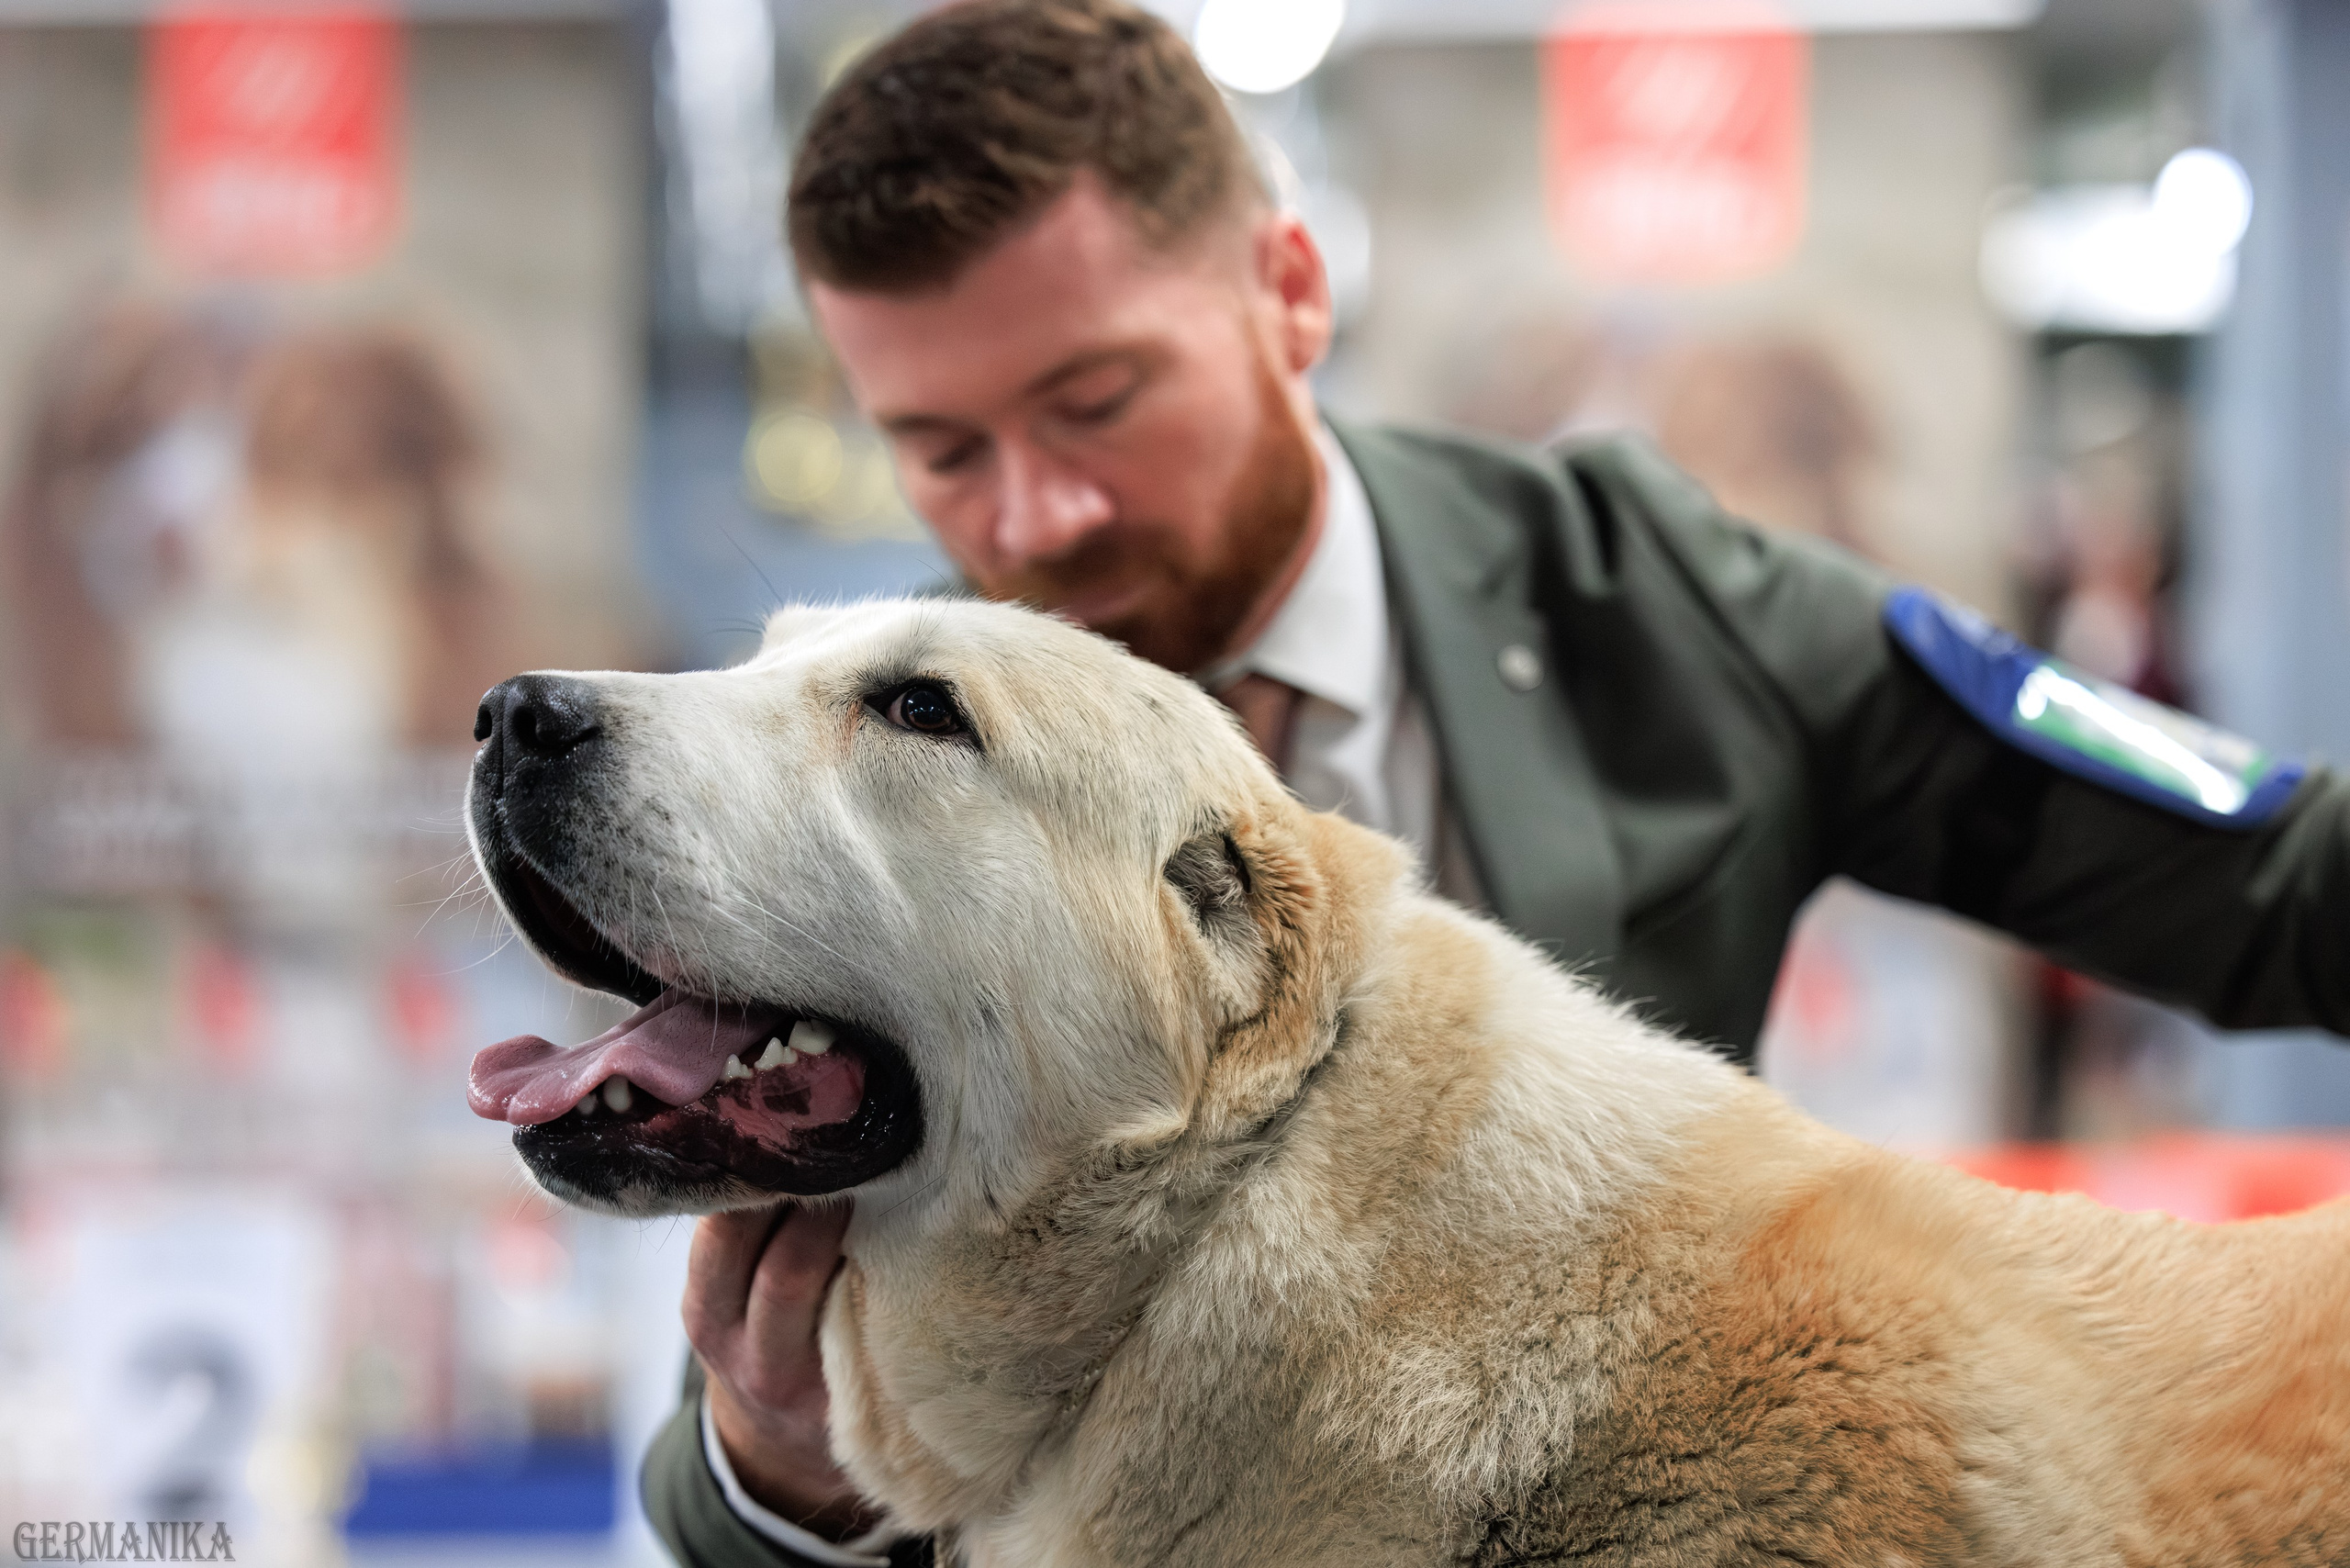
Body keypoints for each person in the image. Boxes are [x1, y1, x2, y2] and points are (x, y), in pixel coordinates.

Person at [642, 3, 2350, 1562]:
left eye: (1097, 401)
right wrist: (781, 1463)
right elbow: (744, 1463)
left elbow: (2278, 879)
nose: (1032, 522)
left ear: (1290, 291)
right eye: (943, 451)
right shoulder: (892, 783)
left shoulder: (1653, 609)